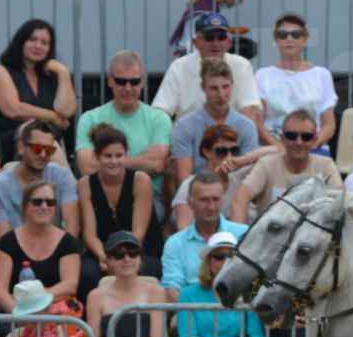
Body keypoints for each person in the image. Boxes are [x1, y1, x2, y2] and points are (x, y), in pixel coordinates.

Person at [75, 51, 172, 213]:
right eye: (121, 81)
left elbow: (157, 164)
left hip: (149, 200)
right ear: (110, 81)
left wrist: (106, 162)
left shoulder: (159, 118)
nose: (128, 88)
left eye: (134, 82)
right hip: (100, 199)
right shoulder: (90, 118)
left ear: (143, 82)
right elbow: (86, 167)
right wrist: (141, 159)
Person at [76, 125, 158, 302]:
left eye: (119, 156)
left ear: (126, 155)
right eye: (108, 156)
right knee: (87, 273)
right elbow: (89, 234)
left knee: (149, 269)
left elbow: (139, 232)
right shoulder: (85, 184)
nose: (114, 161)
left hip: (138, 248)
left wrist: (125, 257)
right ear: (97, 157)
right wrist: (105, 258)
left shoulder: (141, 180)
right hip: (102, 250)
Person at [0, 18, 77, 163]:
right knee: (41, 138)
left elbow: (66, 111)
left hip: (49, 146)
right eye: (32, 39)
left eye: (44, 43)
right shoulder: (1, 71)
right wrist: (53, 117)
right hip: (11, 145)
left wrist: (63, 72)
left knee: (47, 140)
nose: (38, 46)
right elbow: (15, 110)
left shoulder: (52, 76)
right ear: (21, 42)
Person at [152, 13, 263, 129]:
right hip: (189, 139)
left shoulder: (242, 65)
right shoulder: (179, 67)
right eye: (209, 37)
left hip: (231, 139)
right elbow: (161, 112)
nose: (216, 43)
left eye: (221, 37)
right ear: (196, 42)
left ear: (229, 42)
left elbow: (250, 109)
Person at [230, 109, 342, 221]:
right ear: (282, 139)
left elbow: (340, 201)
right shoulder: (267, 164)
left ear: (314, 140)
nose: (299, 142)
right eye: (291, 136)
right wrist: (241, 233)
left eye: (306, 137)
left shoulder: (326, 165)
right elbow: (240, 199)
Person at [0, 181, 81, 313]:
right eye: (37, 202)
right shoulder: (7, 242)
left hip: (54, 314)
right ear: (25, 206)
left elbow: (70, 285)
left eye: (50, 202)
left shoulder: (68, 242)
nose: (44, 206)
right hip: (15, 314)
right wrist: (19, 314)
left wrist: (37, 301)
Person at [170, 58, 261, 184]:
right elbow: (184, 180)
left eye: (225, 86)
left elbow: (250, 175)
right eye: (213, 88)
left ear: (232, 84)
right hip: (197, 194)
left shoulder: (247, 126)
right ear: (203, 88)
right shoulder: (185, 126)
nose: (221, 94)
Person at [254, 13, 337, 150]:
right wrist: (278, 147)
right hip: (274, 150)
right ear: (276, 40)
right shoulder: (262, 75)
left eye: (296, 34)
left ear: (305, 39)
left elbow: (329, 124)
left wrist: (311, 145)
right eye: (283, 35)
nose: (289, 39)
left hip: (312, 148)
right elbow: (258, 123)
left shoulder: (322, 75)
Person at [0, 120, 79, 240]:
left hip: (57, 252)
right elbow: (3, 240)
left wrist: (64, 255)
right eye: (37, 148)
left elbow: (72, 227)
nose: (43, 154)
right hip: (16, 254)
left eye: (49, 150)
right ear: (21, 147)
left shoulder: (61, 176)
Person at [160, 173, 247, 301]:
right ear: (190, 203)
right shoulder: (175, 243)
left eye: (215, 199)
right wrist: (199, 314)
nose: (211, 207)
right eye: (204, 200)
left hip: (236, 313)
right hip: (192, 314)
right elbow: (171, 288)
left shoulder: (243, 234)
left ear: (223, 199)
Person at [170, 125, 248, 227]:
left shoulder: (240, 180)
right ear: (206, 152)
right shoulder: (190, 185)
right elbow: (183, 230)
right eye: (221, 151)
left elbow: (274, 151)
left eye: (234, 151)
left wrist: (244, 160)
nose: (229, 157)